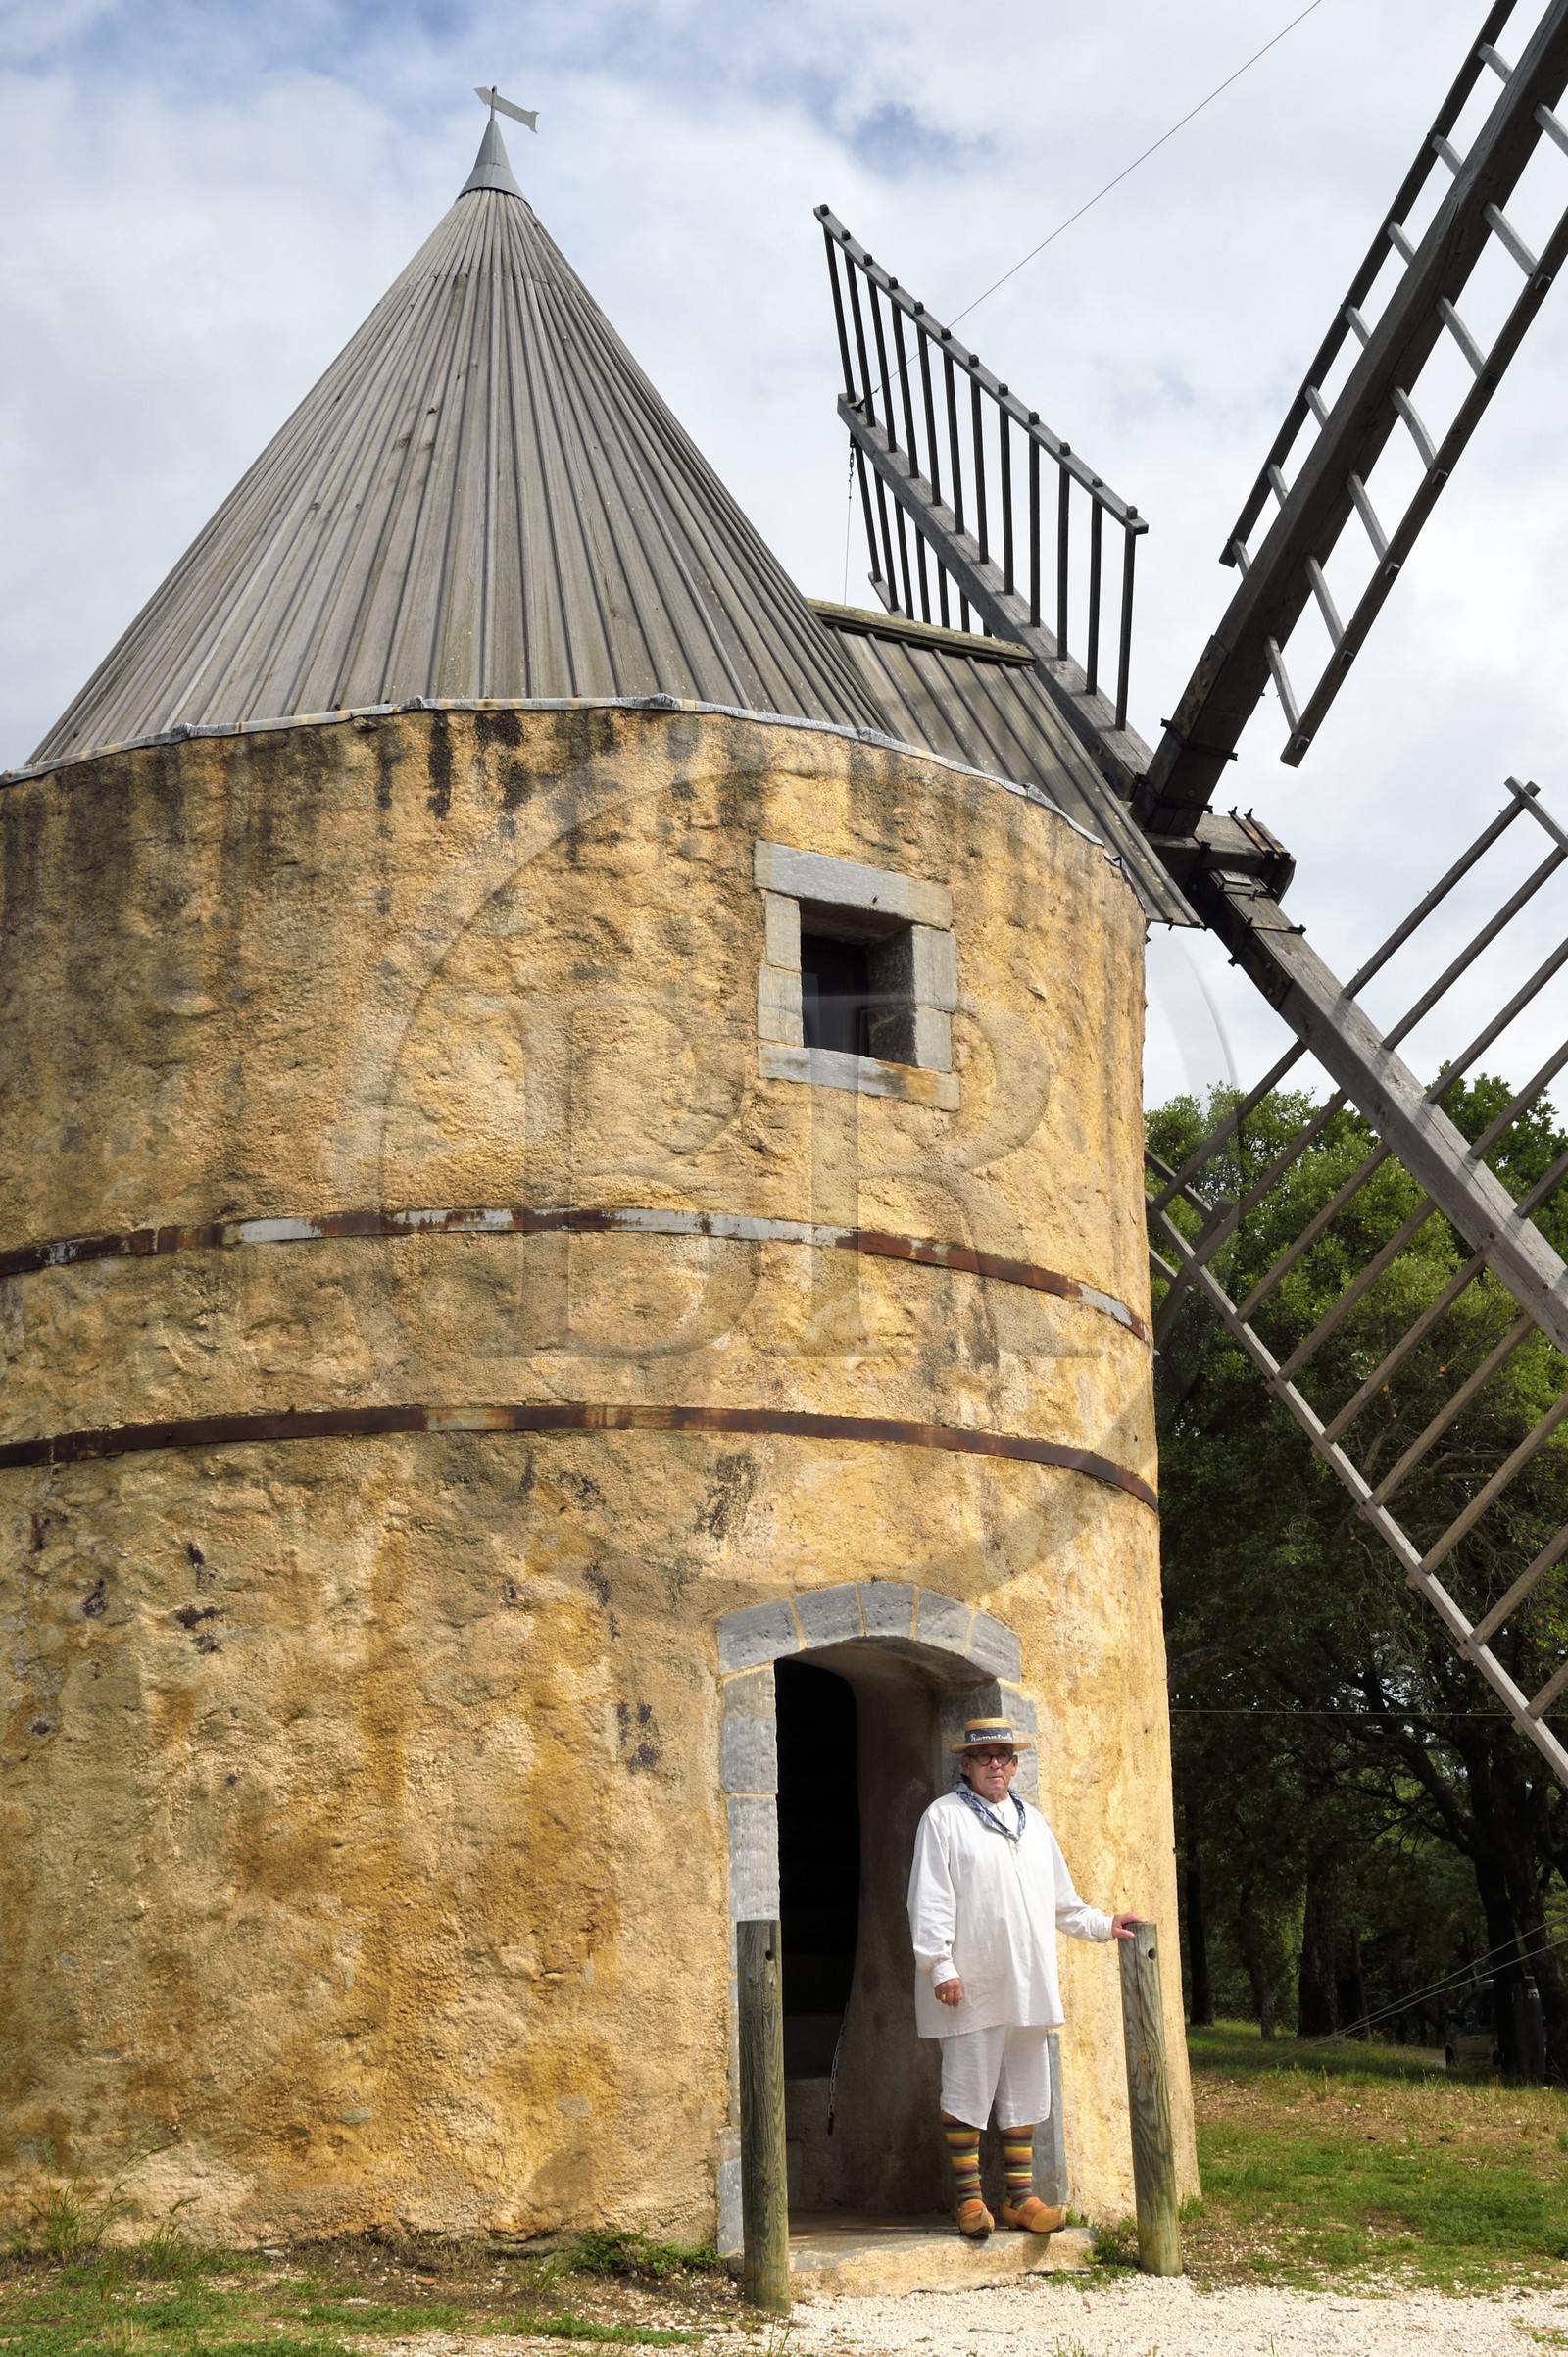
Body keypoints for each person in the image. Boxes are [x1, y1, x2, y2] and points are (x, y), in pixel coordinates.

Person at [906, 1714, 1139, 2239]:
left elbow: (1064, 1903)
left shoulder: (1032, 1823)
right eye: (983, 1756)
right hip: (971, 1983)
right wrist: (940, 1965)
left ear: (1014, 1766)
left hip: (1027, 1984)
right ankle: (970, 2202)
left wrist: (1105, 1925)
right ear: (967, 1765)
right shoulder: (943, 1818)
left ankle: (1020, 2200)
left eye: (1003, 1756)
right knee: (966, 2089)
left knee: (1025, 2091)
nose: (994, 1764)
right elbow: (929, 1898)